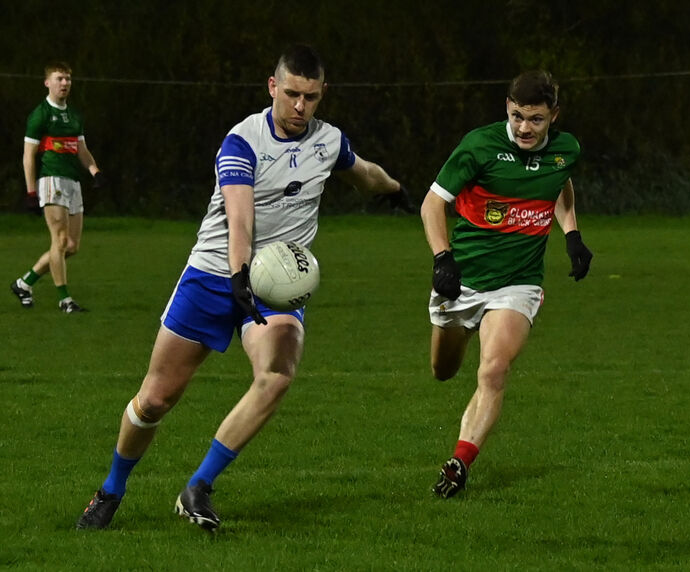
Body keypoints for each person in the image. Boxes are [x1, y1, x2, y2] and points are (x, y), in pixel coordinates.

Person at [76, 44, 413, 531]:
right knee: (154, 399)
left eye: (311, 97)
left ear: (322, 95)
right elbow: (240, 219)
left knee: (277, 373)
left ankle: (199, 486)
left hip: (277, 286)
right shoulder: (242, 141)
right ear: (272, 87)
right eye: (292, 93)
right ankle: (111, 489)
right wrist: (238, 275)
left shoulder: (327, 140)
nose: (300, 106)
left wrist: (398, 190)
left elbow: (365, 172)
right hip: (215, 275)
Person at [421, 70, 593, 499]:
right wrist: (443, 258)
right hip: (463, 280)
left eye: (535, 119)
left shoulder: (565, 150)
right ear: (507, 108)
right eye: (517, 116)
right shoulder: (479, 146)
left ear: (554, 115)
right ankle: (454, 336)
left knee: (494, 370)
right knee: (444, 371)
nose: (524, 128)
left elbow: (560, 182)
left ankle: (460, 461)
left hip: (518, 283)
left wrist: (571, 234)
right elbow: (432, 204)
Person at [10, 61, 106, 313]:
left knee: (71, 246)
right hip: (51, 179)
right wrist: (31, 192)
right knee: (60, 240)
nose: (64, 83)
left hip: (73, 181)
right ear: (47, 82)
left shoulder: (74, 115)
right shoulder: (40, 114)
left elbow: (81, 149)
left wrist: (94, 170)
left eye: (68, 79)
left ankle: (24, 282)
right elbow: (28, 155)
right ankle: (65, 300)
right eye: (59, 79)